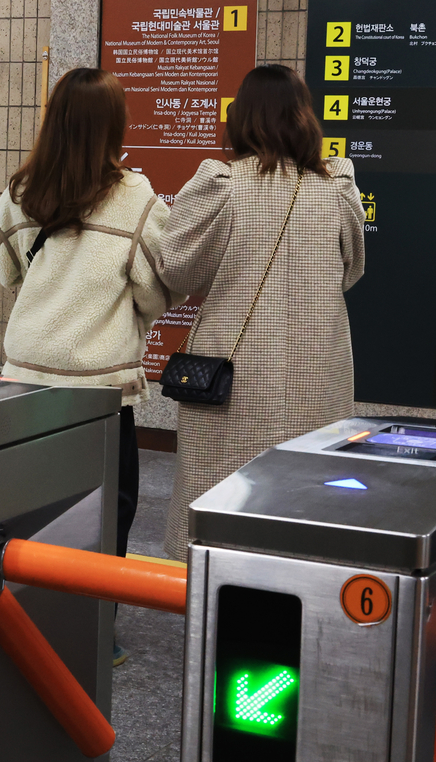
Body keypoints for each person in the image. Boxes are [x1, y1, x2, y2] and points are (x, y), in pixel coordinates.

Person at [0, 68, 182, 665]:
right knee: (108, 511)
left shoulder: (23, 191)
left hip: (26, 381)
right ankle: (94, 630)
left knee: (31, 503)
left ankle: (21, 617)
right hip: (98, 392)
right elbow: (154, 287)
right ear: (113, 127)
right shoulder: (135, 197)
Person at [159, 64, 366, 561]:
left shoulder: (222, 184)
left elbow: (176, 271)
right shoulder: (336, 186)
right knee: (309, 494)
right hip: (318, 370)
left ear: (241, 118)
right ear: (304, 117)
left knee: (222, 495)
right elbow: (352, 271)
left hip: (235, 378)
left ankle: (218, 594)